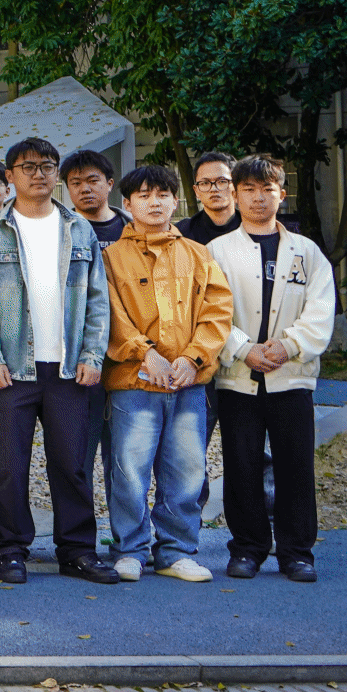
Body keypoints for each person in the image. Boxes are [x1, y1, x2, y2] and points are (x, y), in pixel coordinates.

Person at [0, 139, 120, 586]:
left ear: (56, 174)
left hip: (69, 368)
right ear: (10, 176)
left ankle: (77, 550)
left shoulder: (79, 229)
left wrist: (92, 354)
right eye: (28, 166)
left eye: (47, 166)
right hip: (14, 367)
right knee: (8, 465)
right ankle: (11, 549)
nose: (39, 174)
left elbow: (98, 300)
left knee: (72, 464)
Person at [102, 164, 233, 583]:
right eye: (143, 195)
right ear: (127, 204)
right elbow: (109, 314)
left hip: (187, 383)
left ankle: (176, 551)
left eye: (162, 194)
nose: (154, 202)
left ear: (175, 201)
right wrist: (145, 354)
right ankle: (130, 550)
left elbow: (218, 311)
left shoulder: (198, 254)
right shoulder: (111, 257)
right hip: (133, 382)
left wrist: (193, 358)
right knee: (129, 470)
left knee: (186, 471)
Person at [209, 155, 336, 583]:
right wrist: (243, 349)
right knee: (241, 465)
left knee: (295, 466)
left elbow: (321, 309)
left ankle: (297, 552)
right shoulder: (217, 251)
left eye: (267, 189)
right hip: (237, 379)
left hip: (291, 378)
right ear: (236, 195)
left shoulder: (307, 252)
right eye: (248, 189)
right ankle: (247, 548)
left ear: (282, 194)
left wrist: (288, 345)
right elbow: (209, 312)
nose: (258, 198)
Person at [61, 148, 129, 509]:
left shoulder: (134, 228)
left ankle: (126, 533)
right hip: (80, 358)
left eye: (93, 180)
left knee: (124, 456)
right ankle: (80, 532)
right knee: (78, 453)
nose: (85, 189)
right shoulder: (60, 231)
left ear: (110, 183)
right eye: (76, 183)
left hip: (129, 357)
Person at [179, 151, 241, 246]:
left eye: (222, 181)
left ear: (236, 186)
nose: (213, 189)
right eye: (205, 183)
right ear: (196, 191)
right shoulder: (182, 234)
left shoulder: (252, 228)